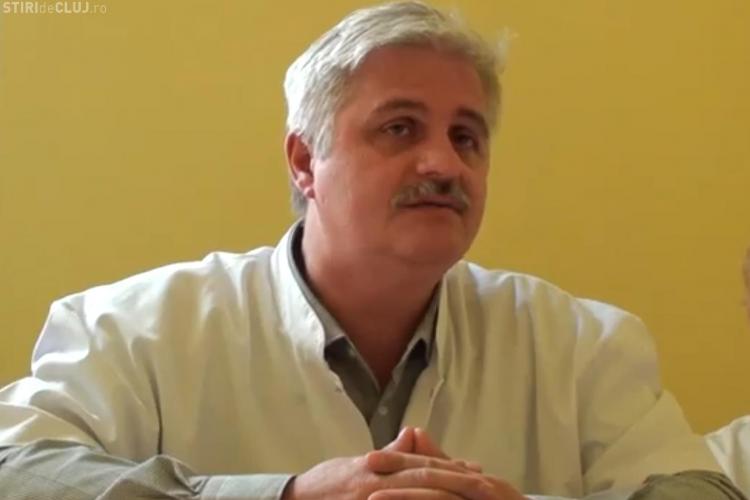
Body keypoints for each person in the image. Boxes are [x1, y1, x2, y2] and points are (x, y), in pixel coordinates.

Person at [0, 2, 744, 499]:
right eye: (399, 128)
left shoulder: (582, 346)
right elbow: (16, 469)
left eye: (466, 136)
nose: (444, 164)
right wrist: (281, 498)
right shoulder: (135, 329)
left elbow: (699, 490)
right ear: (304, 162)